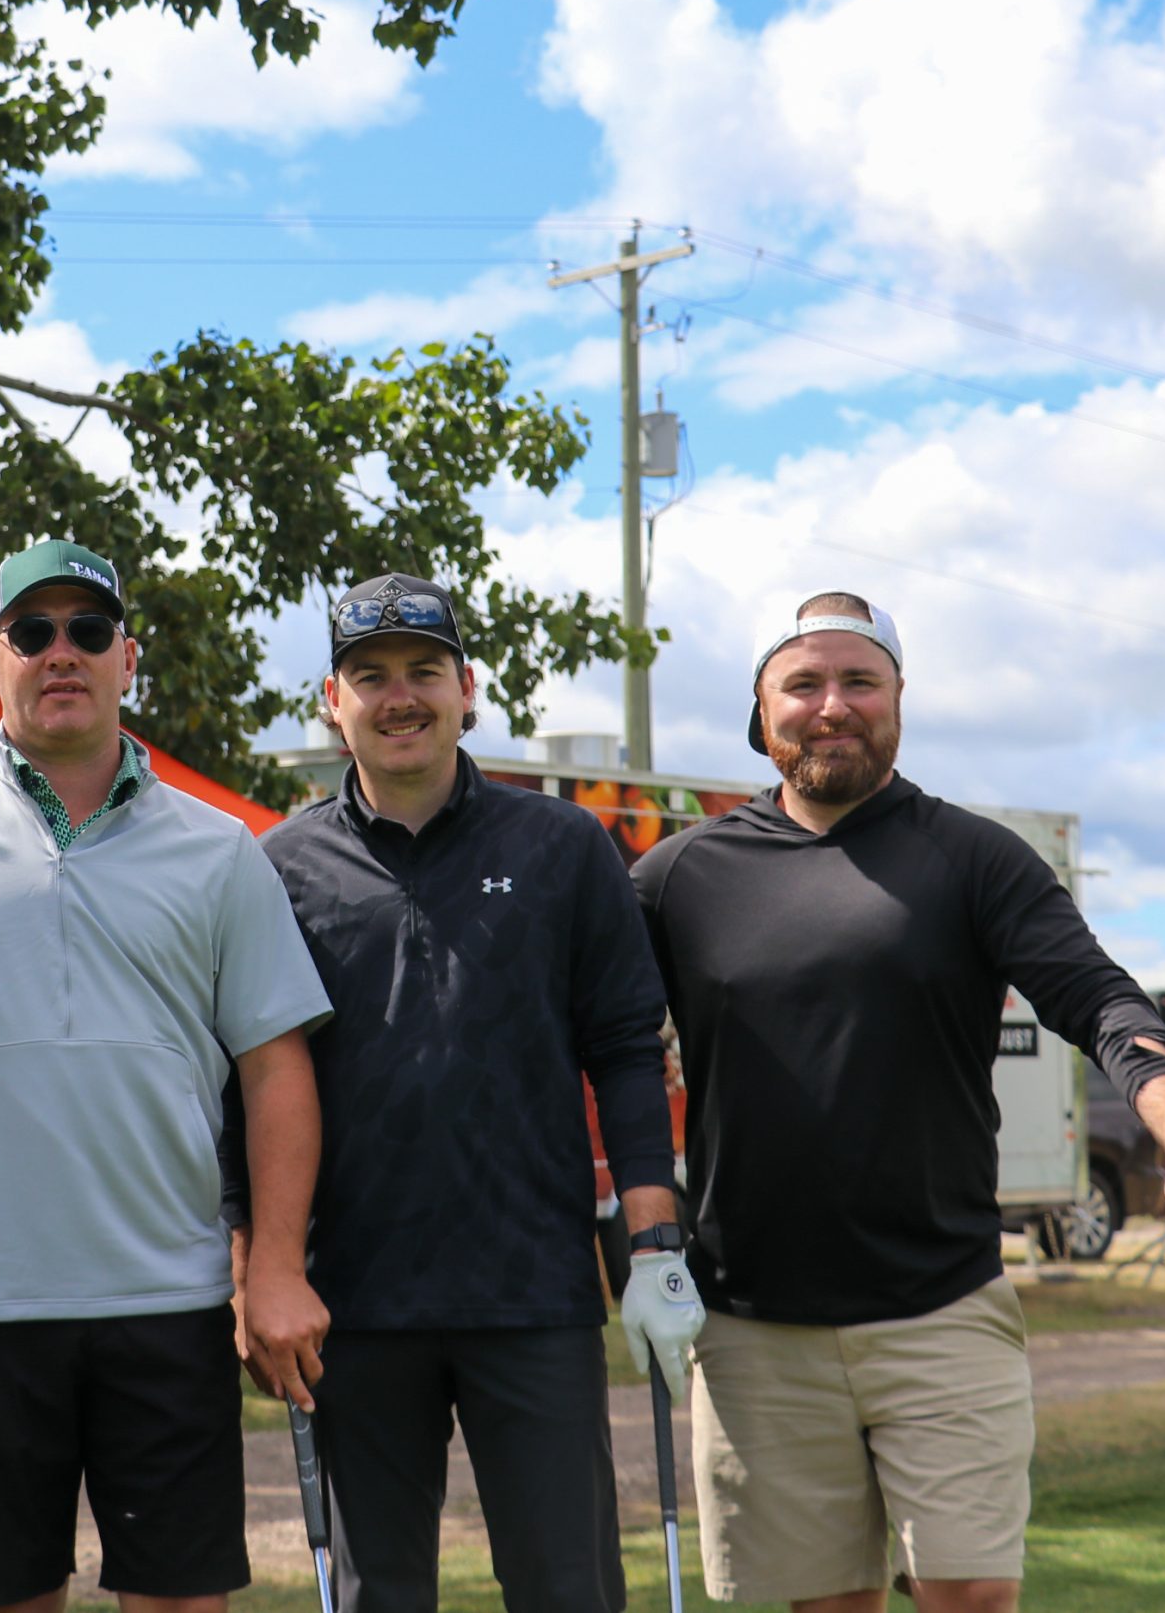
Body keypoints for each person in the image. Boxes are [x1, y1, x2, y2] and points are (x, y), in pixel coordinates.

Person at [631, 589, 1165, 1613]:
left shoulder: (975, 859)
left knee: (968, 1597)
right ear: (762, 710)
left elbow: (1102, 1002)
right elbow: (588, 1032)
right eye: (804, 683)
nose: (831, 705)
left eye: (858, 681)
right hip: (751, 1325)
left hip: (942, 1307)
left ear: (897, 700)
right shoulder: (678, 877)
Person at [0, 539, 332, 1613]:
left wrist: (277, 1268)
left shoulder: (217, 848)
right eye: (32, 632)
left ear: (127, 660)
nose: (61, 652)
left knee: (180, 1600)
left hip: (170, 1298)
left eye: (89, 632)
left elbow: (274, 1066)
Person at [225, 573, 701, 1613]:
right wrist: (254, 1265)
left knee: (566, 1587)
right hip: (353, 1300)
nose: (401, 698)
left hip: (532, 1292)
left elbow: (624, 1045)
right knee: (378, 1595)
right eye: (372, 676)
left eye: (423, 673)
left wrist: (655, 1237)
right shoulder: (276, 868)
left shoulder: (562, 846)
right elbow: (245, 1080)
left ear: (467, 688)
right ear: (330, 700)